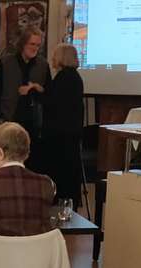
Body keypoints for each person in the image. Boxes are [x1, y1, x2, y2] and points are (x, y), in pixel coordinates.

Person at [0, 27, 47, 164]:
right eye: (32, 44)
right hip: (9, 118)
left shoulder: (43, 65)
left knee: (33, 161)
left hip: (34, 123)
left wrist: (37, 89)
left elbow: (48, 94)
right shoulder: (6, 62)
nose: (35, 48)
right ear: (23, 43)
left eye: (38, 45)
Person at [42, 43, 85, 208]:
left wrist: (36, 92)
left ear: (62, 58)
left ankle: (61, 203)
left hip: (61, 135)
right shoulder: (74, 77)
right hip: (70, 133)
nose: (52, 59)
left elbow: (53, 103)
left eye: (55, 55)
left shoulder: (64, 78)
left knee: (62, 172)